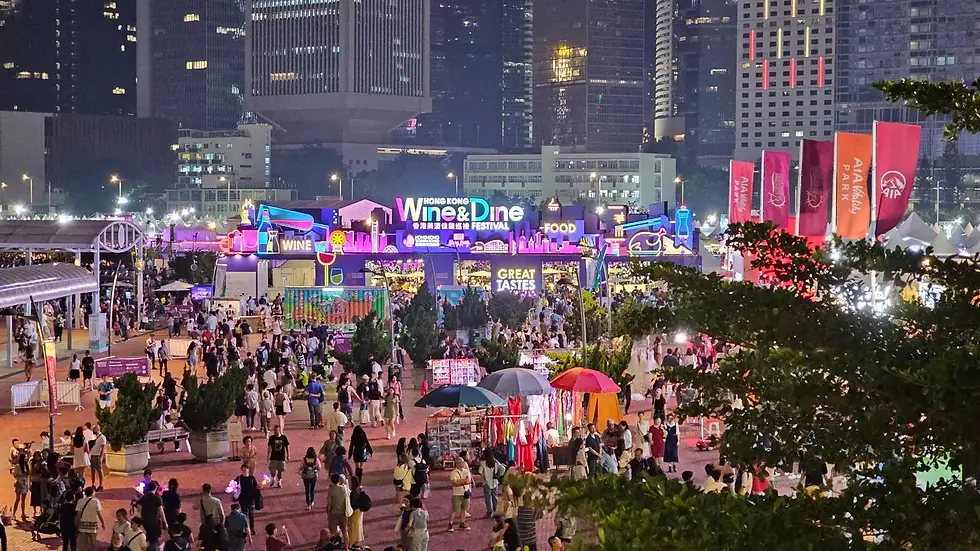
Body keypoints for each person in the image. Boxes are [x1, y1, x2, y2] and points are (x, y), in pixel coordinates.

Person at [137, 480, 167, 549]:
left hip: (146, 522)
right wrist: (164, 522)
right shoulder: (157, 498)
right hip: (155, 523)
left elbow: (139, 510)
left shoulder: (143, 498)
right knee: (155, 541)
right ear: (156, 488)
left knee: (149, 538)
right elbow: (161, 511)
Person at [75, 486, 105, 551]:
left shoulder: (80, 501)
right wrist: (103, 523)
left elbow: (78, 515)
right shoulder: (96, 502)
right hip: (93, 527)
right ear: (92, 493)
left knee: (83, 546)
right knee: (93, 544)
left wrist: (77, 526)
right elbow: (99, 514)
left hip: (83, 526)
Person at [325, 474, 351, 549]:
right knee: (345, 531)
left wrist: (328, 513)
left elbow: (329, 504)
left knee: (332, 532)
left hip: (334, 513)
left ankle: (333, 547)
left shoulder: (331, 490)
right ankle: (346, 548)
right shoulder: (344, 488)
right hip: (343, 513)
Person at [478, 448, 506, 518]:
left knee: (488, 498)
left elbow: (480, 472)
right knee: (495, 497)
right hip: (495, 482)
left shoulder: (483, 463)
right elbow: (503, 469)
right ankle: (496, 511)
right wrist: (499, 475)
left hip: (486, 482)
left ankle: (489, 512)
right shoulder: (495, 462)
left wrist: (484, 477)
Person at [447, 457, 472, 532]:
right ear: (456, 463)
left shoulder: (467, 471)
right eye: (460, 462)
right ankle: (450, 524)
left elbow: (468, 481)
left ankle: (462, 523)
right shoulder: (453, 472)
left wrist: (460, 481)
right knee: (455, 510)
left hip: (466, 493)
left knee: (464, 509)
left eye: (462, 462)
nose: (462, 463)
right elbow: (454, 483)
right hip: (457, 494)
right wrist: (463, 481)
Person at [233, 465, 259, 534]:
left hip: (251, 499)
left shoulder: (252, 478)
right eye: (243, 469)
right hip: (243, 499)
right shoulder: (239, 478)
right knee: (244, 515)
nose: (244, 471)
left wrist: (258, 488)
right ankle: (246, 528)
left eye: (245, 469)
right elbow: (234, 487)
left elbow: (256, 487)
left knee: (251, 515)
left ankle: (252, 528)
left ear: (248, 470)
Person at [515, 486, 542, 551]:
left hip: (522, 538)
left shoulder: (520, 509)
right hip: (531, 540)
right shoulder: (531, 510)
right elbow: (539, 515)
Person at [348, 476, 368, 547]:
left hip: (355, 510)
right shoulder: (359, 489)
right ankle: (357, 540)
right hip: (360, 510)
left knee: (353, 526)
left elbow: (353, 503)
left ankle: (352, 542)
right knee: (358, 525)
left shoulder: (354, 491)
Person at [90, 425, 107, 491]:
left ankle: (101, 485)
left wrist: (101, 457)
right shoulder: (93, 437)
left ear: (98, 429)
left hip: (97, 456)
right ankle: (93, 484)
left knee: (99, 471)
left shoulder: (102, 437)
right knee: (92, 471)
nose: (93, 431)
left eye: (94, 429)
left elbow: (103, 449)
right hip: (93, 456)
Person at [11, 452, 28, 521]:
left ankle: (23, 513)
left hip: (25, 483)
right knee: (17, 499)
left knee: (23, 500)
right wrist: (21, 477)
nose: (26, 458)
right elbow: (15, 475)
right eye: (25, 457)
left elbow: (28, 473)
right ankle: (14, 514)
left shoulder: (26, 465)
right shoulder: (18, 466)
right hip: (19, 483)